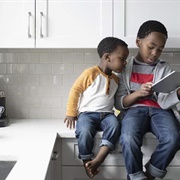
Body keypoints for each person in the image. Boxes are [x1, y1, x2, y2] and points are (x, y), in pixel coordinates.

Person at [115, 20, 180, 180]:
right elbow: (119, 103)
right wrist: (138, 93)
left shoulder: (164, 68)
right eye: (151, 47)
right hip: (134, 110)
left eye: (160, 49)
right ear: (138, 42)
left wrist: (178, 94)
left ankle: (151, 173)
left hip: (160, 110)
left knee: (173, 138)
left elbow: (164, 102)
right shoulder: (125, 68)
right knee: (128, 138)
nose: (154, 53)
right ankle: (136, 176)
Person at [64, 37, 129, 179]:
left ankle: (99, 158)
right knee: (85, 131)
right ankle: (87, 161)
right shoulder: (90, 73)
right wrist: (71, 113)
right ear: (107, 57)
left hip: (107, 115)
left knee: (115, 126)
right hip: (87, 114)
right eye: (122, 58)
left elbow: (118, 100)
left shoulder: (117, 80)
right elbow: (75, 90)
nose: (125, 63)